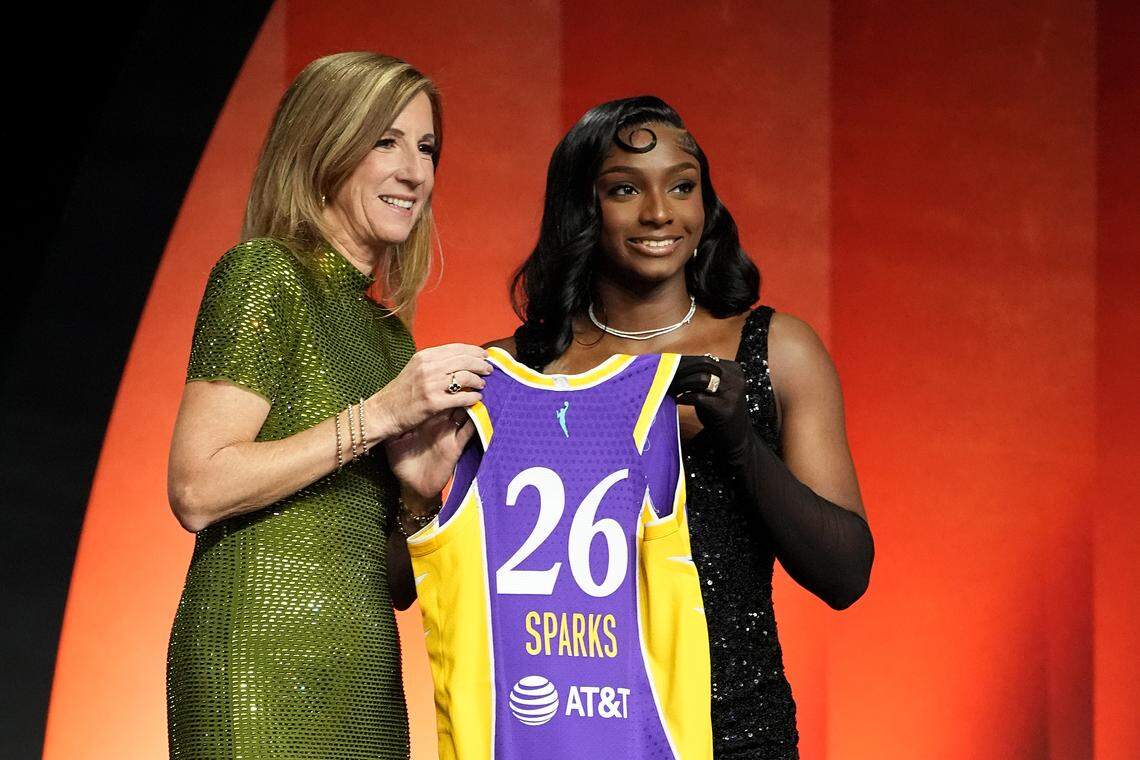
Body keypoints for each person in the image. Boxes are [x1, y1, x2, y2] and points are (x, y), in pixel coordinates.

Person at [487, 96, 875, 758]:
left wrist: (742, 445)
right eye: (625, 189)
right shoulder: (518, 373)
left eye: (682, 186)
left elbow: (845, 574)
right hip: (567, 731)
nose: (660, 212)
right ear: (582, 209)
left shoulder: (774, 349)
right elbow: (422, 581)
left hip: (734, 732)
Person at [165, 52, 489, 759]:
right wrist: (379, 416)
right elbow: (197, 488)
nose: (415, 171)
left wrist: (420, 499)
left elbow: (395, 584)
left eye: (427, 147)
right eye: (386, 141)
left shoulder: (389, 336)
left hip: (365, 674)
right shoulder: (264, 274)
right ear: (324, 145)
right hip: (253, 667)